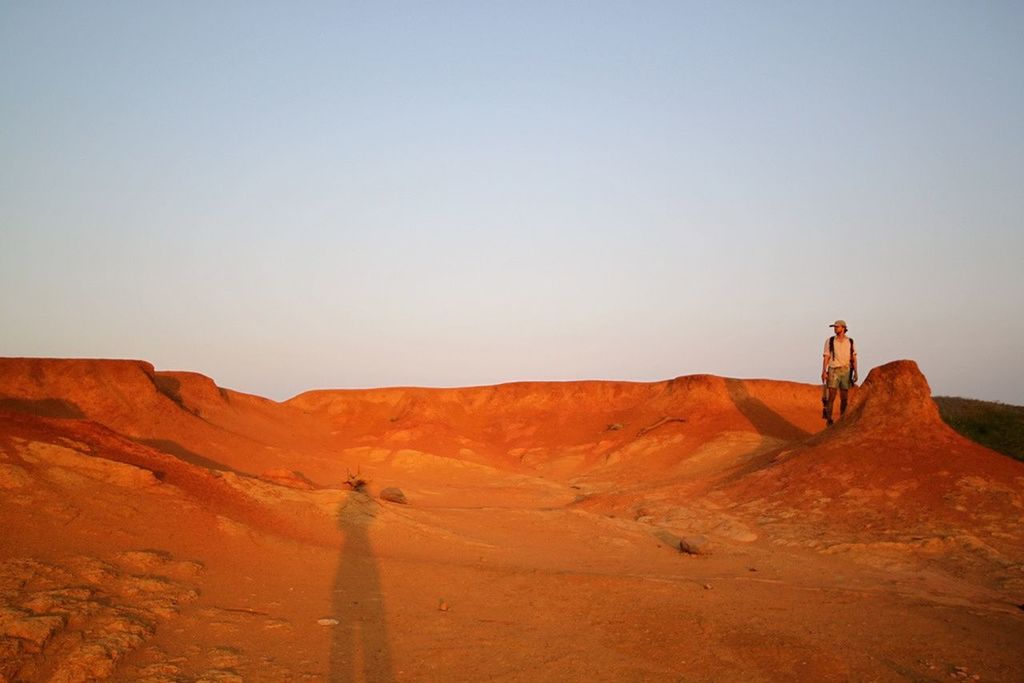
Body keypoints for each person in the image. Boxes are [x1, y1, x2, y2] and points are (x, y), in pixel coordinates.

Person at [821, 319, 857, 425]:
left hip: (846, 370)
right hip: (833, 370)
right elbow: (826, 356)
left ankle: (842, 420)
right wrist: (824, 371)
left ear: (843, 328)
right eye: (834, 327)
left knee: (844, 397)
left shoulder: (850, 341)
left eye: (837, 327)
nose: (835, 329)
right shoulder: (830, 341)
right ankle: (829, 419)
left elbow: (853, 357)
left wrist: (855, 371)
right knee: (831, 395)